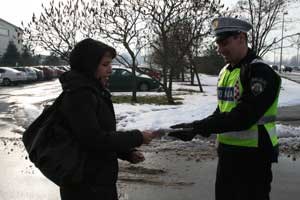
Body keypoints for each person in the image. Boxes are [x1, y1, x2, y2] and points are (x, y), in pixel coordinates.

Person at [169, 17, 281, 200]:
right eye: (218, 44)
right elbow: (223, 110)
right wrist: (196, 129)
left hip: (254, 156)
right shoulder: (226, 71)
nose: (220, 50)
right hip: (228, 154)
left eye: (224, 43)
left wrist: (201, 126)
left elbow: (245, 116)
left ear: (241, 38)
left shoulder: (260, 72)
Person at [58, 38, 156, 200]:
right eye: (105, 65)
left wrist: (127, 153)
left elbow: (101, 134)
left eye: (110, 64)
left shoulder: (94, 91)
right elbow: (94, 139)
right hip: (85, 187)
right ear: (88, 66)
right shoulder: (79, 95)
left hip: (99, 182)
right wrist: (137, 137)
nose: (110, 70)